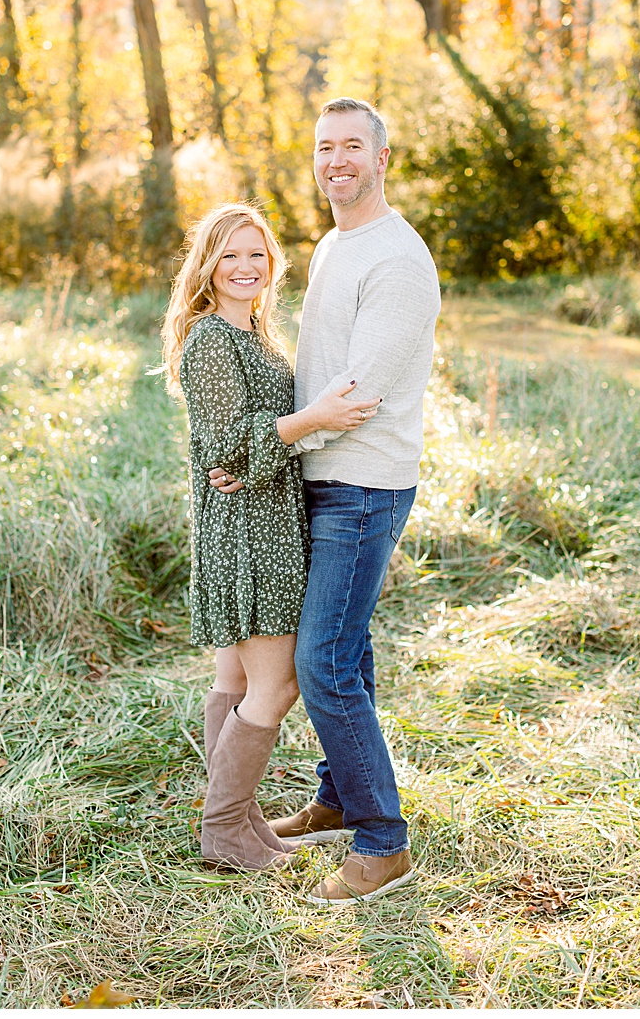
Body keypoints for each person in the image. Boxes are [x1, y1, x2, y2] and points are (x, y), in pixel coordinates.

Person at [213, 97, 442, 906]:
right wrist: (280, 451)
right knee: (348, 648)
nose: (336, 159)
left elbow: (358, 394)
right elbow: (317, 382)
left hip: (364, 483)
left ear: (384, 159)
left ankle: (383, 841)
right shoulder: (336, 243)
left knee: (322, 661)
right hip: (319, 476)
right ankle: (340, 798)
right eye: (324, 147)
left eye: (353, 146)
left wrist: (270, 446)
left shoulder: (399, 262)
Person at [160, 203, 378, 871]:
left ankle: (242, 821)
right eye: (230, 255)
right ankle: (223, 827)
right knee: (276, 687)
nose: (246, 267)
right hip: (253, 534)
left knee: (234, 676)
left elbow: (244, 444)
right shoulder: (210, 342)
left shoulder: (253, 335)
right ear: (207, 267)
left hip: (263, 519)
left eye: (257, 254)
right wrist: (313, 418)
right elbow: (223, 446)